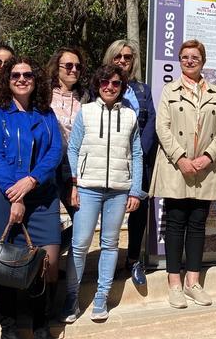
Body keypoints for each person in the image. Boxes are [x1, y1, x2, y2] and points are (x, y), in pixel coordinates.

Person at [0, 57, 62, 339]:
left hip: (42, 197)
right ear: (7, 80)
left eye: (27, 74)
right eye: (15, 74)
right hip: (6, 197)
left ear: (35, 79)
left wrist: (31, 180)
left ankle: (40, 325)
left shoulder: (46, 113)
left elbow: (54, 152)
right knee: (6, 263)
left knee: (47, 265)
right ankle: (9, 328)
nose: (21, 79)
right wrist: (15, 194)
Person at [149, 39, 216, 309]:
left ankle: (193, 282)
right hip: (177, 168)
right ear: (180, 60)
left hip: (206, 170)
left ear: (203, 60)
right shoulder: (169, 91)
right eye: (185, 57)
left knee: (197, 224)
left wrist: (207, 157)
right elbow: (163, 127)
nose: (190, 61)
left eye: (195, 57)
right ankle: (174, 284)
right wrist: (181, 159)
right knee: (175, 223)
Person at [62, 64, 145, 322]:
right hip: (88, 187)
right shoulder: (86, 112)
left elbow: (138, 154)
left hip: (119, 190)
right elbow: (73, 149)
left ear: (121, 88)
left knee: (110, 244)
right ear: (98, 85)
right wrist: (74, 183)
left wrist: (135, 190)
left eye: (116, 84)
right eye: (105, 83)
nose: (110, 87)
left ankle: (101, 298)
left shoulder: (130, 116)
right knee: (80, 244)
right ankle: (71, 299)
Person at [101, 39, 157, 285]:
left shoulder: (143, 90)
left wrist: (140, 154)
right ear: (110, 59)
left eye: (128, 57)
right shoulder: (101, 87)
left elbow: (151, 123)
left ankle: (133, 259)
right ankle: (108, 262)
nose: (123, 61)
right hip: (109, 162)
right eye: (118, 57)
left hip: (139, 162)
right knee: (109, 212)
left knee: (138, 213)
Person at [47, 46, 89, 247]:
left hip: (75, 168)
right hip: (50, 168)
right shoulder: (44, 96)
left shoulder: (86, 98)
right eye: (69, 65)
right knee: (48, 223)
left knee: (83, 220)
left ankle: (64, 260)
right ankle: (48, 271)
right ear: (57, 68)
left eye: (78, 66)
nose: (74, 70)